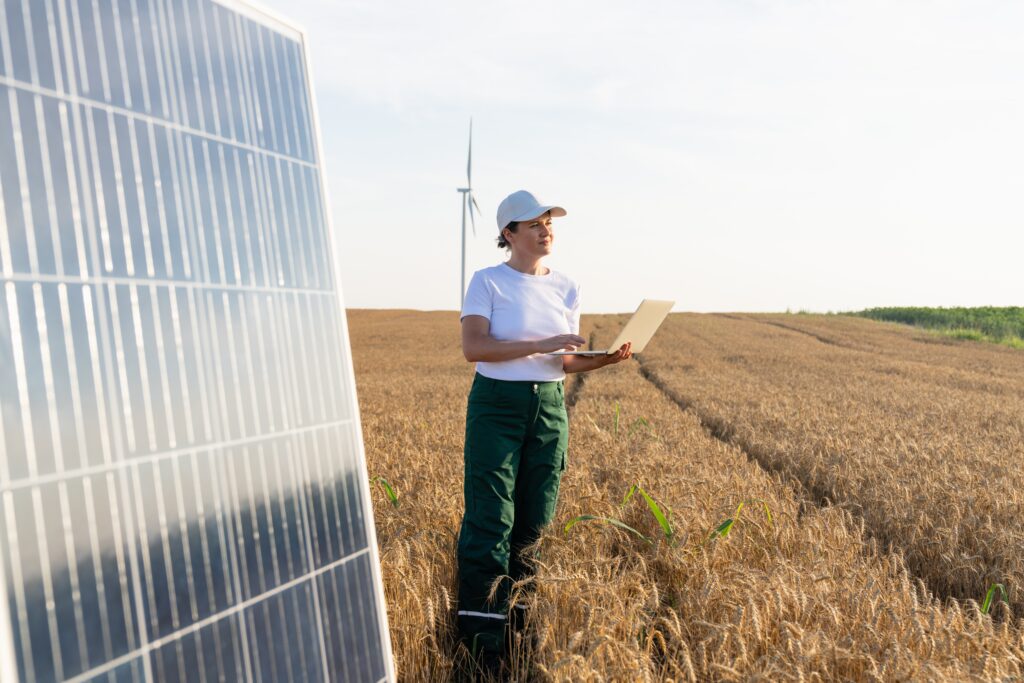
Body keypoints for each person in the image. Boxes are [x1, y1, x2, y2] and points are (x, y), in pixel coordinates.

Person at [456, 189, 632, 668]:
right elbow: (475, 348)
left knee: (537, 521)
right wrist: (543, 342)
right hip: (497, 406)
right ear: (508, 234)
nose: (545, 229)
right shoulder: (487, 282)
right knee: (492, 519)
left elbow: (562, 360)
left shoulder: (567, 285)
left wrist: (605, 361)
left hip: (549, 408)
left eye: (549, 222)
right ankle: (481, 643)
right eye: (533, 223)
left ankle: (522, 629)